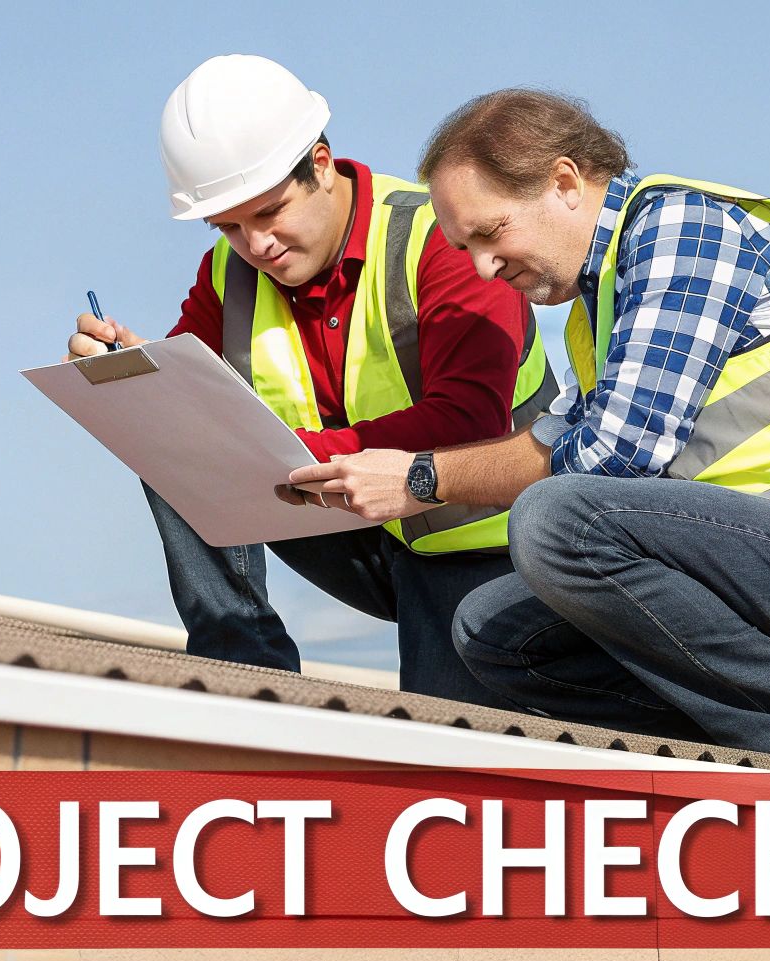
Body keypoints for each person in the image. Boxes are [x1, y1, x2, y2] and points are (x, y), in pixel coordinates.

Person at [289, 89, 770, 773]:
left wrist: (421, 477)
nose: (484, 267)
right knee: (494, 632)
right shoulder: (603, 307)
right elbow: (563, 442)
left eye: (491, 232)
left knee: (559, 520)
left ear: (563, 181)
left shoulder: (681, 232)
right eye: (466, 248)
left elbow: (613, 456)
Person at [65, 58, 552, 702]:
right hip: (363, 530)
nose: (255, 244)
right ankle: (244, 673)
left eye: (269, 213)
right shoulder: (228, 272)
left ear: (321, 163)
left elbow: (468, 420)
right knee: (172, 437)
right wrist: (133, 378)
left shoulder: (441, 239)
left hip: (492, 547)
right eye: (229, 226)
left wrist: (296, 455)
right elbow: (191, 407)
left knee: (447, 740)